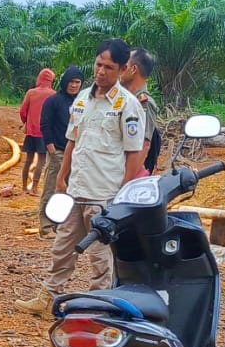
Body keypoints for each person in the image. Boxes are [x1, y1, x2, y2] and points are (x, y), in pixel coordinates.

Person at [13, 39, 145, 317]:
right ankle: (48, 297)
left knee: (99, 255)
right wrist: (62, 176)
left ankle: (100, 306)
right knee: (62, 246)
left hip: (103, 194)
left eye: (109, 67)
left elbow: (134, 154)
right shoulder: (82, 98)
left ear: (122, 69)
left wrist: (123, 192)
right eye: (98, 64)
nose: (101, 71)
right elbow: (72, 140)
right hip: (77, 191)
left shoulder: (128, 106)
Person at [36, 65, 84, 237]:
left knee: (70, 191)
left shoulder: (83, 102)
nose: (74, 85)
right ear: (65, 82)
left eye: (77, 82)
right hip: (58, 152)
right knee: (51, 189)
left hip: (77, 154)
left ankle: (61, 224)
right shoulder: (53, 101)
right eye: (71, 82)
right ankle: (46, 226)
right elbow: (45, 125)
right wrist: (51, 148)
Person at [119, 48, 158, 174]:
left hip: (128, 172)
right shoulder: (123, 99)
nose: (120, 70)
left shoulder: (144, 103)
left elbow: (144, 145)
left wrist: (127, 181)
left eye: (124, 66)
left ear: (133, 69)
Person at [19, 68, 56, 194]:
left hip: (31, 131)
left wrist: (26, 123)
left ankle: (24, 187)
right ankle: (34, 188)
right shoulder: (53, 94)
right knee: (41, 160)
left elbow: (23, 111)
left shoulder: (31, 93)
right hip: (44, 133)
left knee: (28, 159)